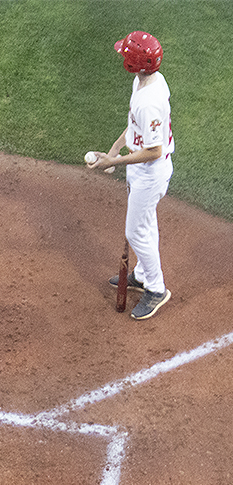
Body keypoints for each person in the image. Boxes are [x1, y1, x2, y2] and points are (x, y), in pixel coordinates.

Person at [87, 31, 174, 320]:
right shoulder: (146, 81)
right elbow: (134, 126)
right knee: (145, 225)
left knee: (135, 231)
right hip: (140, 167)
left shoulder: (149, 101)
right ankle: (142, 275)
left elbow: (154, 150)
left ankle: (156, 289)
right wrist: (113, 150)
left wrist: (116, 161)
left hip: (150, 172)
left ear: (134, 63)